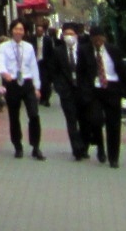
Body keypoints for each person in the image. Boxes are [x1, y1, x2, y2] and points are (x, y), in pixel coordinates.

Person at [77, 25, 126, 168]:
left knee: (113, 124)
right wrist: (84, 91)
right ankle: (100, 147)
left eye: (100, 39)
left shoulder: (113, 50)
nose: (98, 42)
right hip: (94, 90)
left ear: (104, 38)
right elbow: (81, 73)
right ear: (91, 39)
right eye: (95, 39)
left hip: (112, 88)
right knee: (95, 120)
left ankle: (113, 157)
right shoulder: (84, 50)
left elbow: (122, 71)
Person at [0, 17, 44, 159]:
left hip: (27, 82)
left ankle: (36, 146)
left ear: (24, 32)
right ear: (11, 31)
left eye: (21, 29)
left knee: (34, 114)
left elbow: (34, 67)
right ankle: (17, 146)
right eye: (16, 29)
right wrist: (4, 73)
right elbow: (1, 63)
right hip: (12, 83)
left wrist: (37, 86)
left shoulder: (28, 47)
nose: (18, 32)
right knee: (14, 116)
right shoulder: (3, 47)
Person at [43, 21, 89, 160]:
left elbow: (89, 70)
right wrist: (59, 87)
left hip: (82, 91)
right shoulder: (58, 51)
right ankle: (76, 149)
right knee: (71, 119)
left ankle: (84, 146)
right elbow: (53, 71)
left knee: (84, 120)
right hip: (66, 91)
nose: (69, 36)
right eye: (66, 34)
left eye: (71, 34)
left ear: (76, 35)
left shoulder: (84, 50)